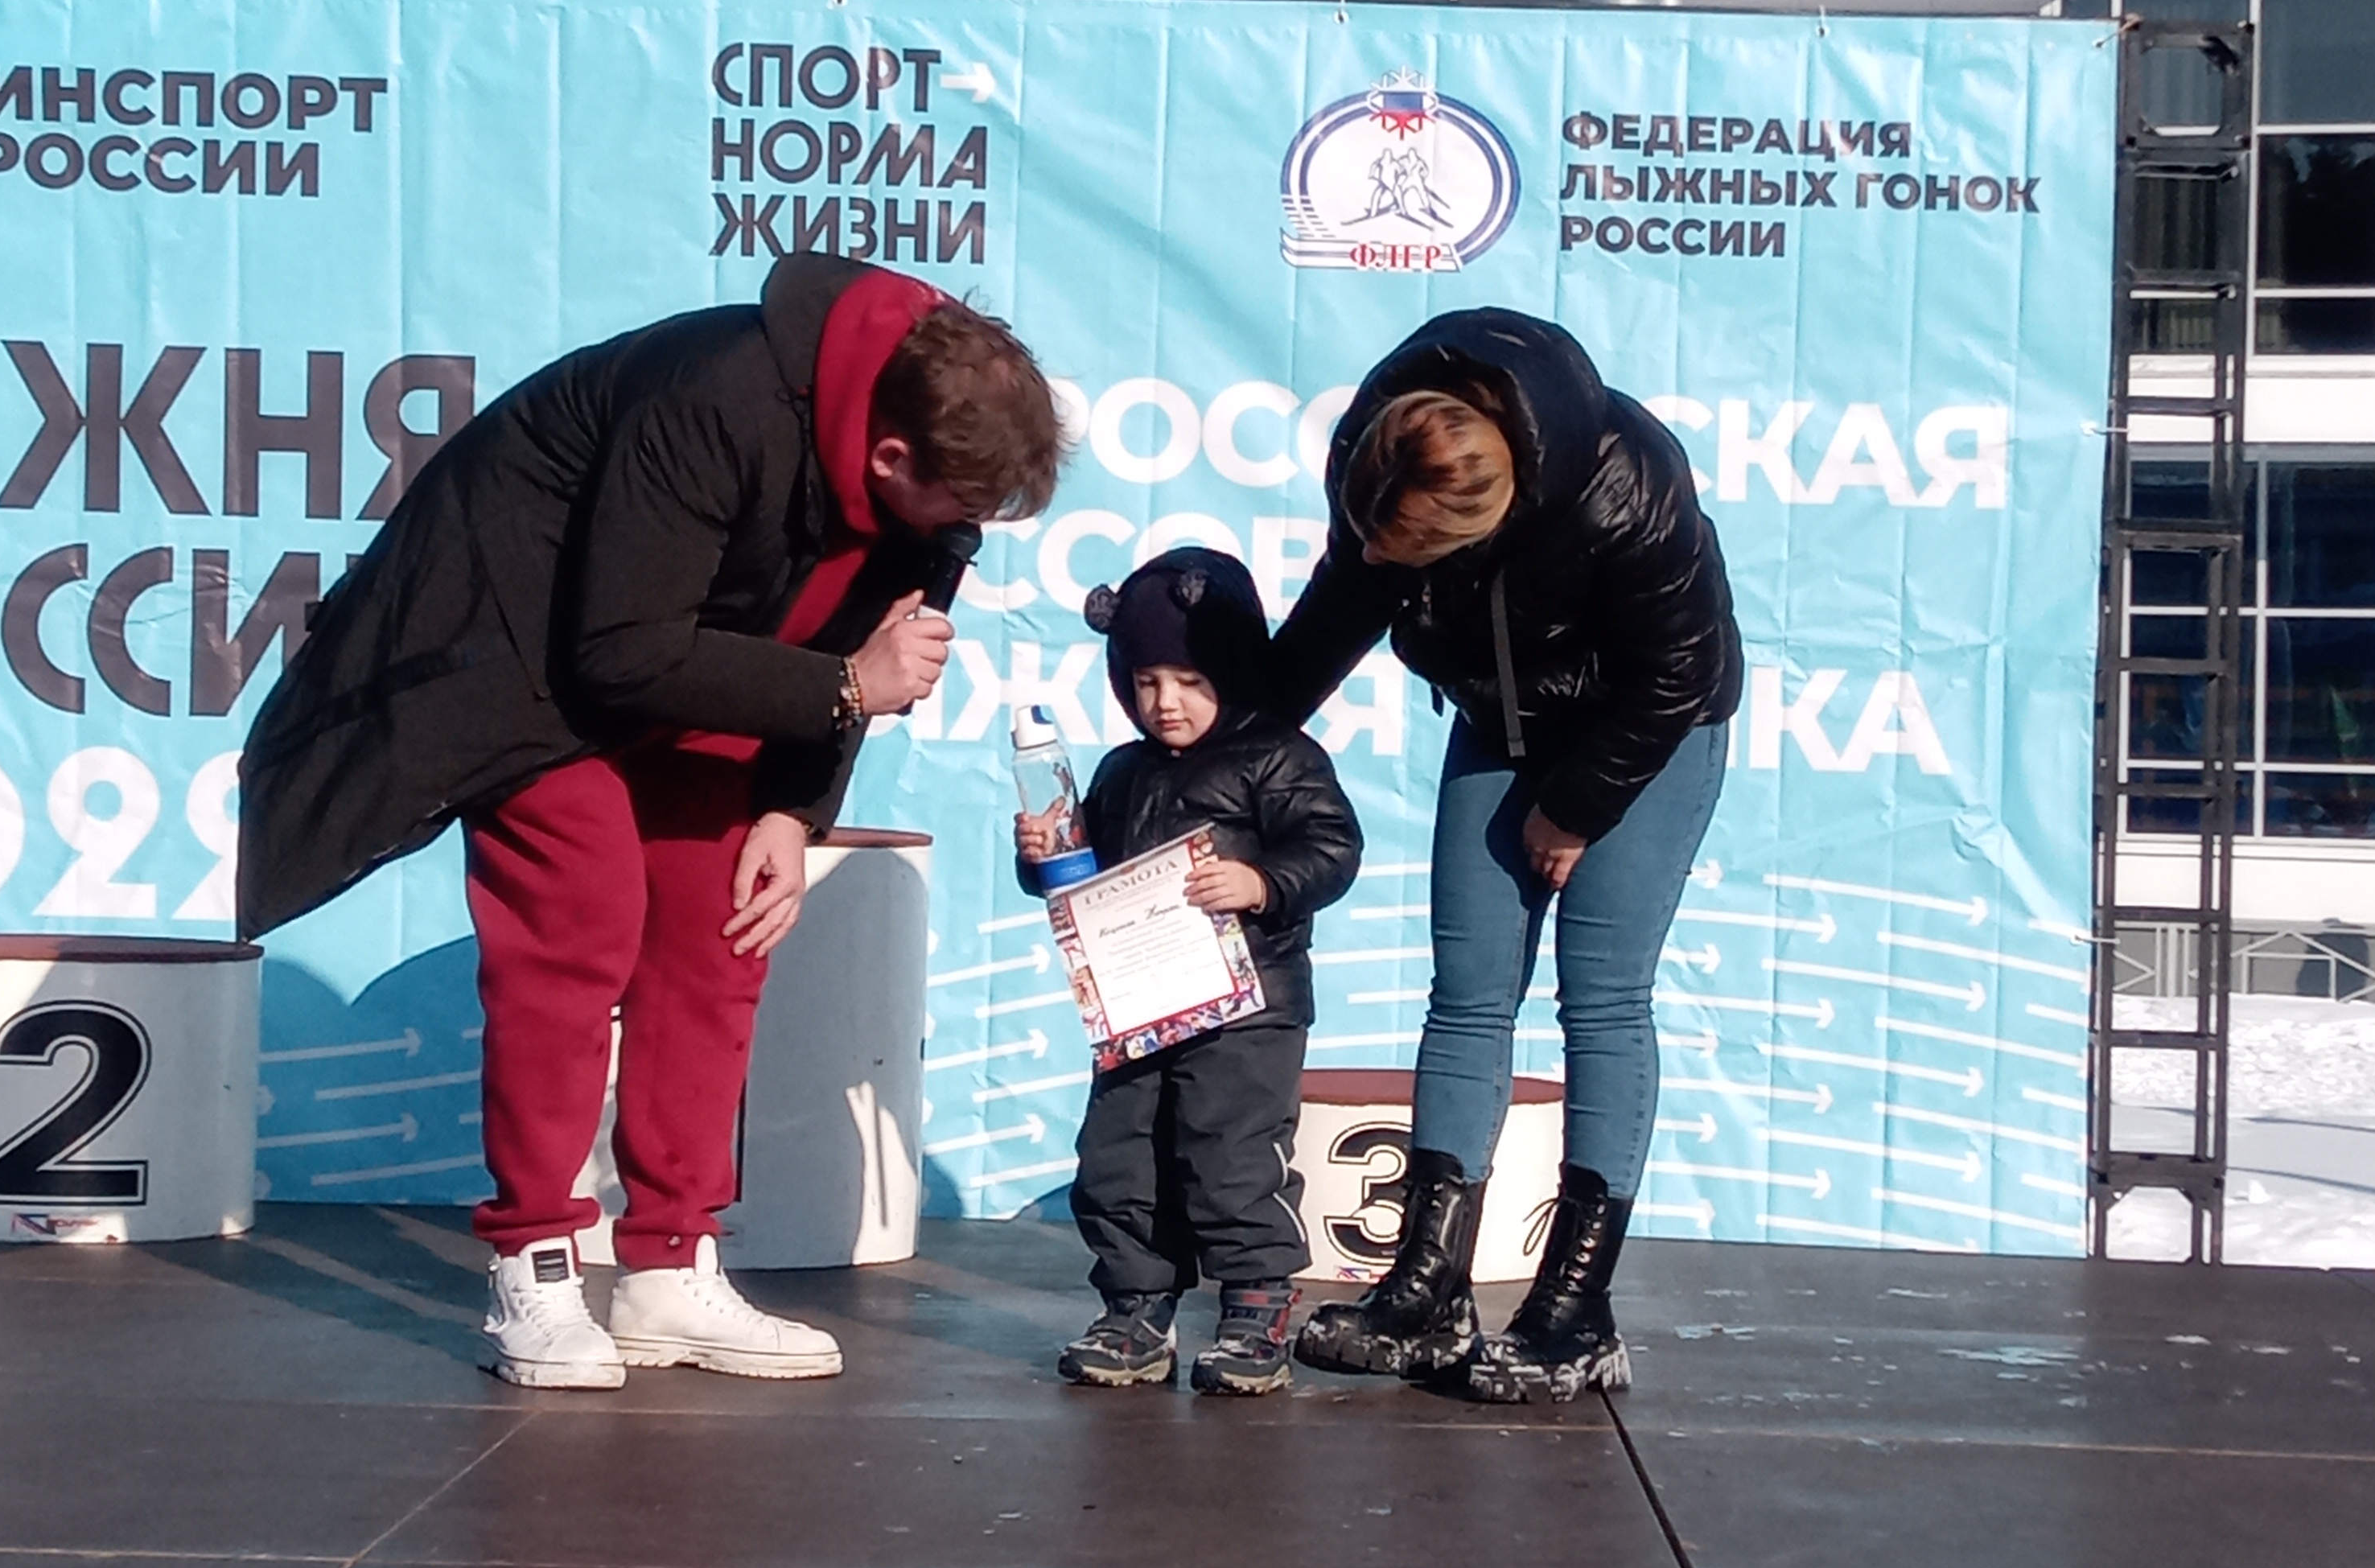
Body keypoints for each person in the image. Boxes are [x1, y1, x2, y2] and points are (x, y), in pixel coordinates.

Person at [238, 261, 1065, 1390]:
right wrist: (838, 689)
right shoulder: (713, 395)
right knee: (581, 917)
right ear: (888, 459)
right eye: (958, 509)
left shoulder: (935, 490)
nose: (966, 534)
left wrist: (791, 809)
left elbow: (874, 654)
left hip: (697, 662)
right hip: (519, 656)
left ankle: (671, 1266)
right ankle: (534, 1262)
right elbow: (622, 652)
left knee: (725, 925)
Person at [1264, 312, 1741, 1406]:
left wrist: (1574, 810)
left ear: (1488, 526)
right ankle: (1426, 1291)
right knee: (1467, 993)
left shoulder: (1628, 483)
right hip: (1502, 716)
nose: (1380, 559)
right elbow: (1340, 607)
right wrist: (1239, 744)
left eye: (1410, 551)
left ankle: (1574, 1310)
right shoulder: (1386, 446)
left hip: (1646, 726)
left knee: (1603, 998)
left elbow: (1676, 670)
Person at [1022, 549, 1364, 1398]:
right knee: (1119, 1158)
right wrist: (1044, 853)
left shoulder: (1278, 757)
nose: (1165, 701)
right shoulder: (1121, 769)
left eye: (1190, 680)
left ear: (1233, 673)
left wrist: (1262, 883)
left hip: (1250, 1010)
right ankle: (1136, 1311)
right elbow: (1081, 879)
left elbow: (1332, 846)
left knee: (1233, 1156)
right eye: (1146, 682)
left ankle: (1255, 1313)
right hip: (1139, 1010)